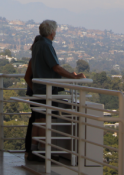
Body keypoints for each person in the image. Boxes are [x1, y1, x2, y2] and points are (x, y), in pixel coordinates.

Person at [30, 20, 85, 154]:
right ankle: (43, 152)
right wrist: (72, 76)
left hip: (38, 89)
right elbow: (56, 68)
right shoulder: (46, 46)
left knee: (38, 120)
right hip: (47, 90)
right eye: (55, 30)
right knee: (45, 120)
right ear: (52, 32)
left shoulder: (37, 45)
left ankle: (33, 150)